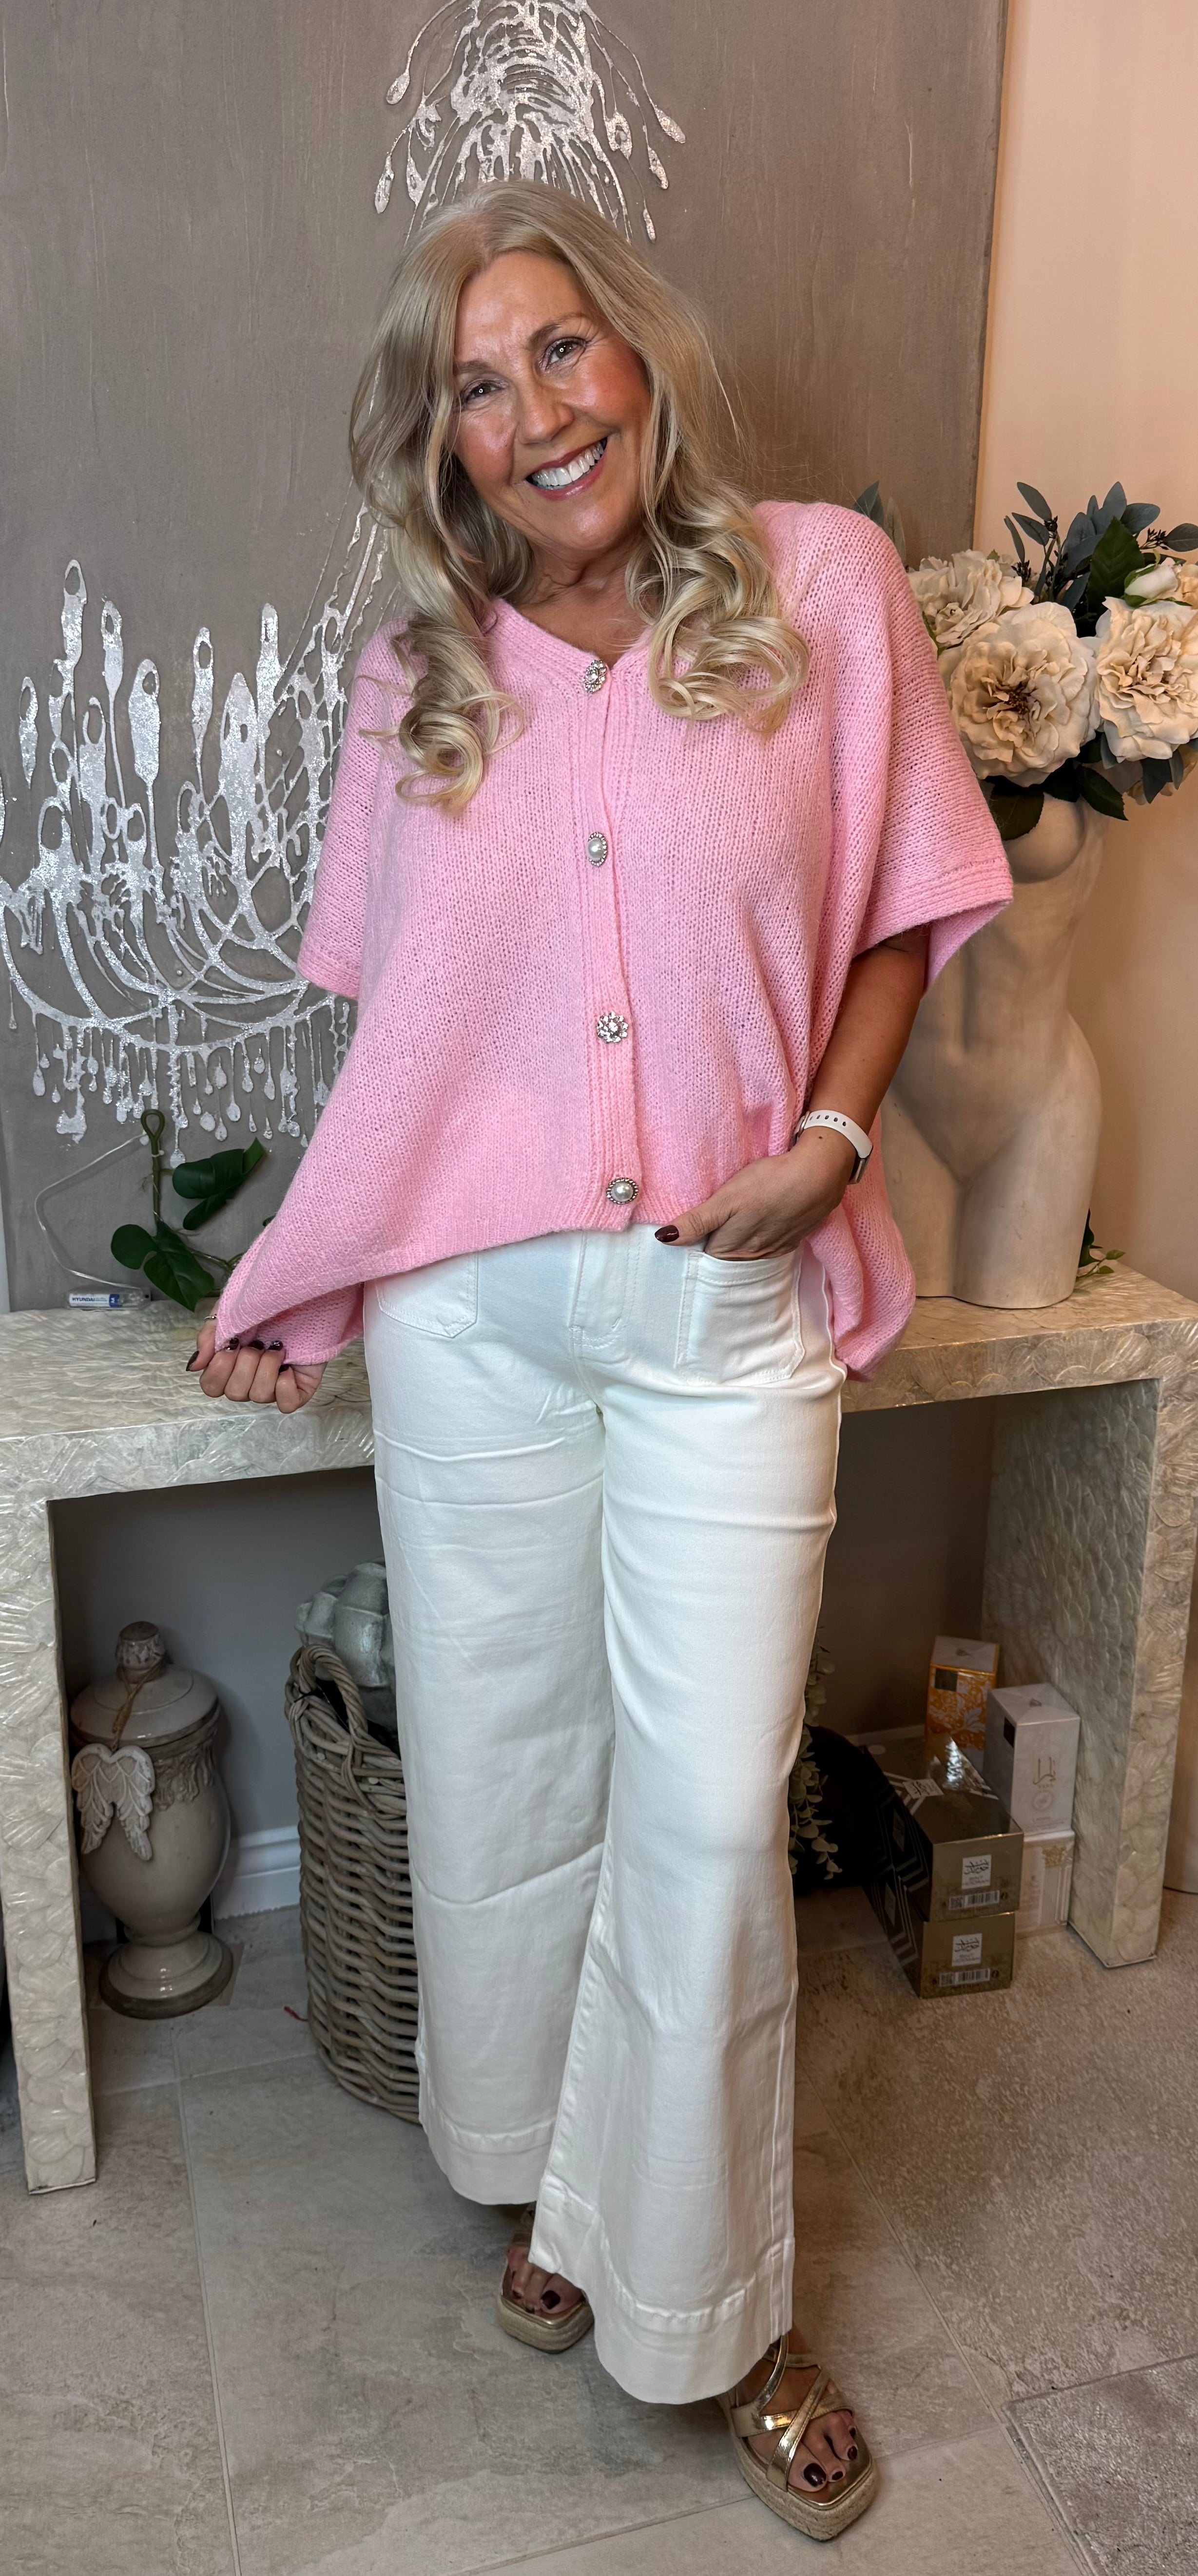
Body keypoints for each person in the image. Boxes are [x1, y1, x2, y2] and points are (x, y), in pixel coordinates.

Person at [193, 181, 1010, 2542]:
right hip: (476, 1320)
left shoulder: (820, 586)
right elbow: (412, 1053)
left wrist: (832, 1141)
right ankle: (565, 2189)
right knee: (509, 1775)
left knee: (707, 1813)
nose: (536, 409)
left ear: (640, 356)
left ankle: (721, 2306)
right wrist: (309, 1279)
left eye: (562, 347)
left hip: (722, 1297)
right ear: (441, 439)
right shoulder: (421, 674)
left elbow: (901, 908)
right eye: (477, 382)